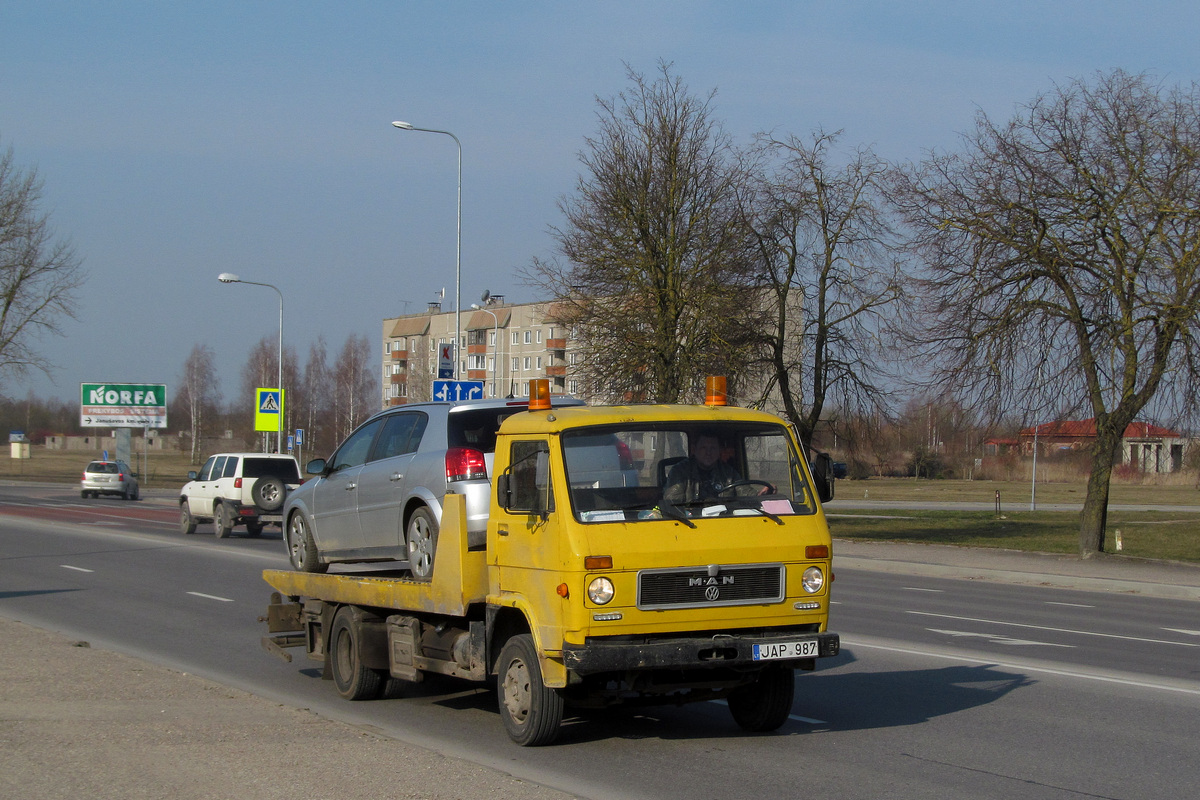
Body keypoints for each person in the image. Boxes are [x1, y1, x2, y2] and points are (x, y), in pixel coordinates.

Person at [662, 432, 742, 504]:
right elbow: (672, 503)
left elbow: (747, 493)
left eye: (713, 448)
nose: (708, 453)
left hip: (725, 519)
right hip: (689, 519)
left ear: (719, 451)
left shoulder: (729, 473)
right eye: (703, 448)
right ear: (694, 450)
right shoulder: (679, 471)